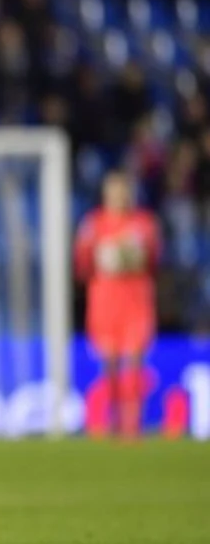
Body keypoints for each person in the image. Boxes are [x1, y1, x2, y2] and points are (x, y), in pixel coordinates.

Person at [74, 171, 161, 439]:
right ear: (106, 194)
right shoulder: (93, 224)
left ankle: (134, 425)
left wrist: (131, 257)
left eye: (124, 191)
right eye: (115, 191)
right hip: (105, 301)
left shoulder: (144, 223)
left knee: (135, 360)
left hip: (136, 300)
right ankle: (114, 422)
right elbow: (82, 264)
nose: (120, 197)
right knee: (109, 362)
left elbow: (154, 260)